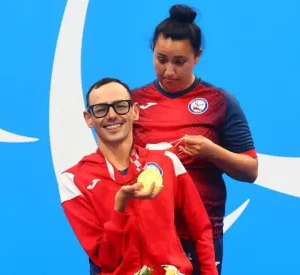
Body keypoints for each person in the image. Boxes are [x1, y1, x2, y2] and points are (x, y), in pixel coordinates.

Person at [131, 4, 259, 274]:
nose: (168, 71)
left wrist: (212, 152)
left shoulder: (219, 101)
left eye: (179, 62)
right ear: (152, 51)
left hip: (201, 234)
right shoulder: (133, 102)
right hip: (145, 231)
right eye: (161, 59)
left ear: (197, 56)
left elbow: (250, 170)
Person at [58, 77, 218, 275]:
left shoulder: (167, 162)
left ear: (135, 111)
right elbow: (105, 259)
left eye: (120, 106)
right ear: (88, 118)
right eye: (101, 109)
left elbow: (200, 229)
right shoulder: (74, 180)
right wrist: (120, 207)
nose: (112, 115)